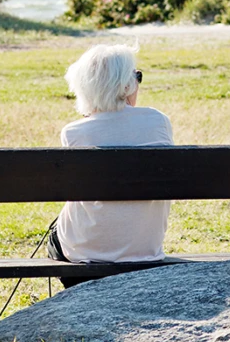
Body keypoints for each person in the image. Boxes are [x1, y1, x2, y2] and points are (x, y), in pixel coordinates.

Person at [48, 45, 173, 283]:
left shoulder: (74, 133)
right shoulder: (158, 122)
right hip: (145, 251)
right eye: (136, 77)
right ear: (126, 85)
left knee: (59, 230)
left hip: (84, 253)